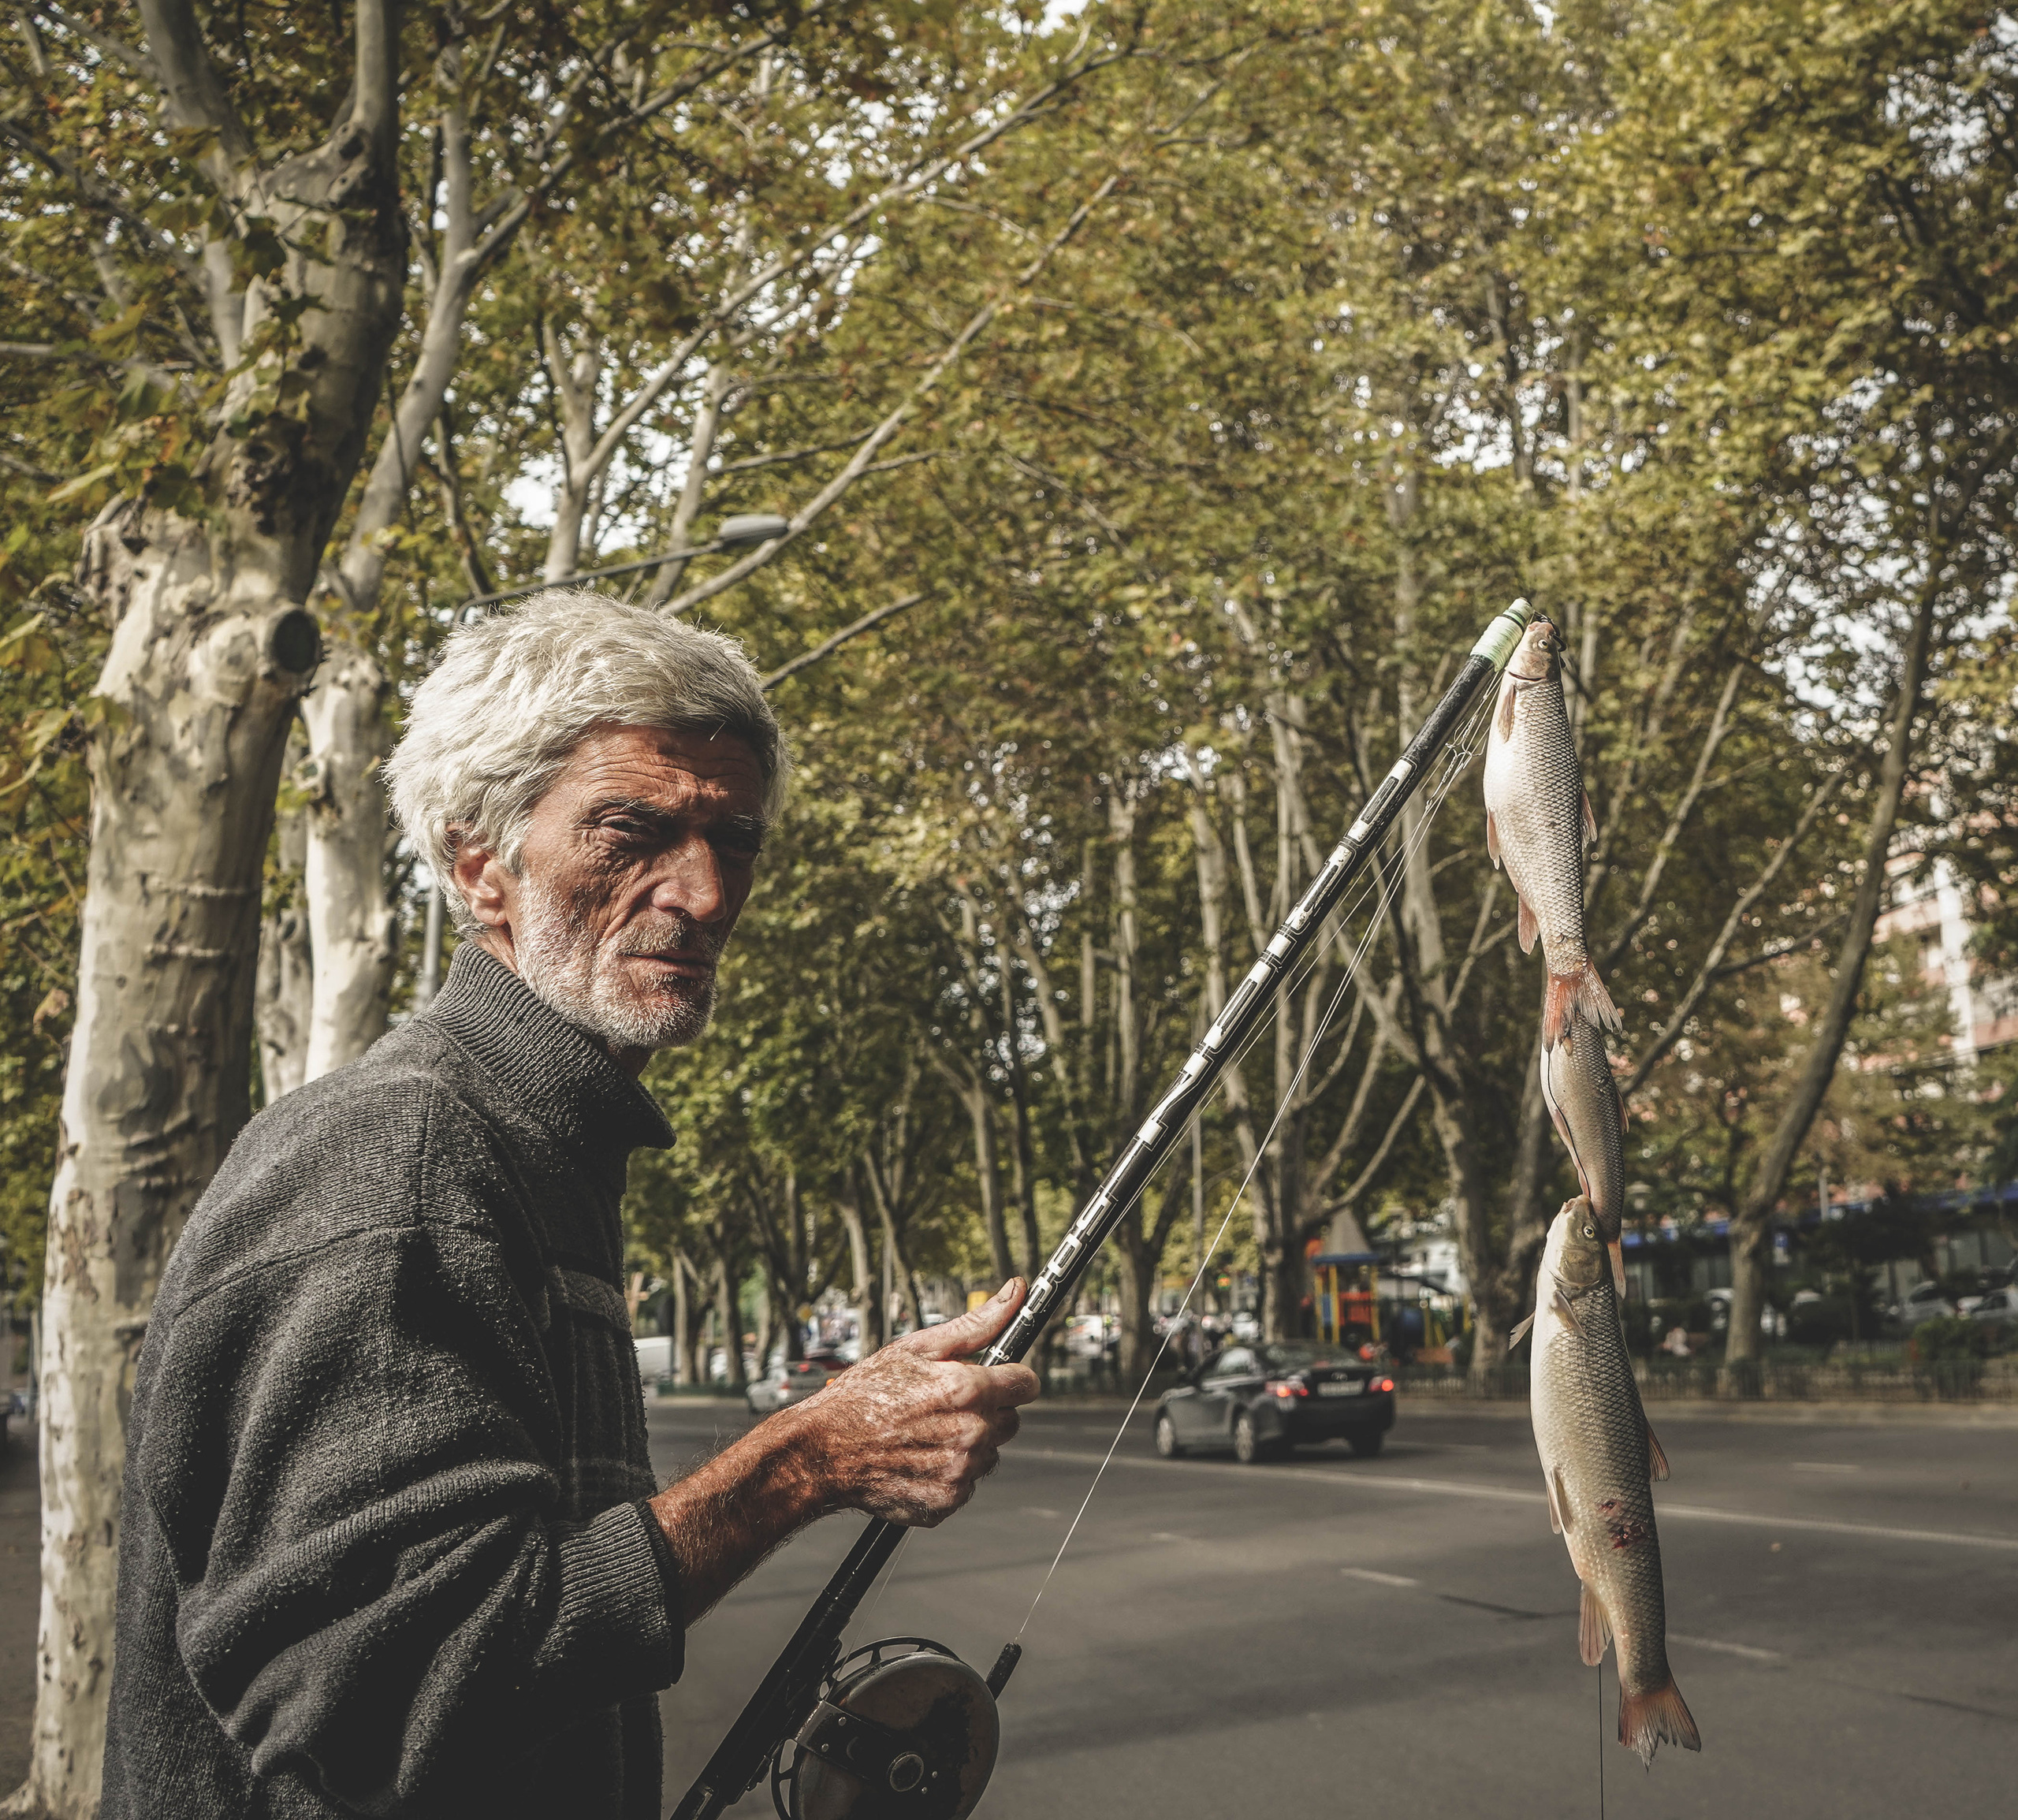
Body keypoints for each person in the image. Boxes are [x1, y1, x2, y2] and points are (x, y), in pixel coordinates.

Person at [102, 594, 1041, 1819]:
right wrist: (803, 1458)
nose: (701, 892)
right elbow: (382, 1709)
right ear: (481, 863)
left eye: (735, 838)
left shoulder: (536, 1146)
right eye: (633, 830)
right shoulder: (405, 1155)